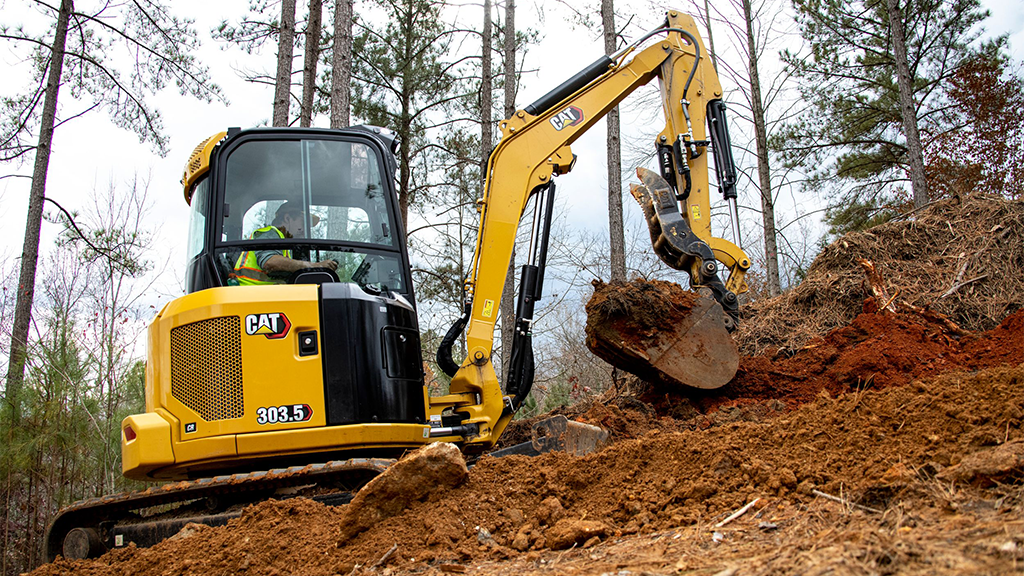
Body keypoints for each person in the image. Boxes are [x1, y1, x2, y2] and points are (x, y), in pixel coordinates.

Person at [231, 201, 338, 285]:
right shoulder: (269, 234)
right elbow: (270, 262)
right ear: (287, 218)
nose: (305, 231)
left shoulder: (284, 244)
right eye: (303, 223)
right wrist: (315, 266)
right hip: (250, 296)